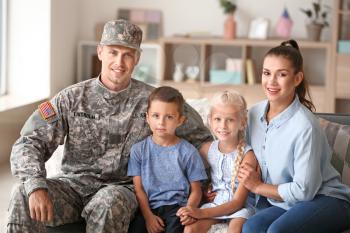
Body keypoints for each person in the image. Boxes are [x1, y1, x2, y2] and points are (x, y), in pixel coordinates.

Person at [7, 19, 212, 233]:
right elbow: (28, 142)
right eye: (113, 52)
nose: (119, 62)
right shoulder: (71, 98)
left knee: (108, 202)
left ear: (137, 59)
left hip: (121, 190)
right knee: (21, 192)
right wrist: (35, 184)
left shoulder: (154, 101)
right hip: (73, 187)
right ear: (100, 52)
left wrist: (212, 185)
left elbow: (202, 140)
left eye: (128, 55)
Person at [238, 39, 350, 233]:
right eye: (267, 73)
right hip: (286, 203)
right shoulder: (253, 115)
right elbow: (241, 157)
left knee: (277, 232)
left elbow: (304, 191)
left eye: (281, 74)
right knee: (251, 227)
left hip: (327, 199)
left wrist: (258, 187)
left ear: (297, 79)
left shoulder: (306, 126)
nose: (271, 81)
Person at [127, 86, 207, 233]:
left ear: (180, 120)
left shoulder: (188, 152)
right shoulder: (138, 150)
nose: (161, 123)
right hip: (148, 209)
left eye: (169, 117)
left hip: (176, 210)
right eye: (156, 116)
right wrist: (148, 217)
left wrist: (189, 210)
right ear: (147, 117)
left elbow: (196, 190)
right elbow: (139, 189)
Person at [177, 91, 257, 233]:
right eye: (218, 119)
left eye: (230, 120)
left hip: (240, 208)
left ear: (242, 122)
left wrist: (200, 213)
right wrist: (204, 190)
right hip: (216, 202)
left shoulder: (247, 156)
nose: (223, 126)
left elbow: (238, 202)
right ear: (210, 120)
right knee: (189, 229)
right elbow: (194, 175)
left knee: (235, 229)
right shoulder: (207, 149)